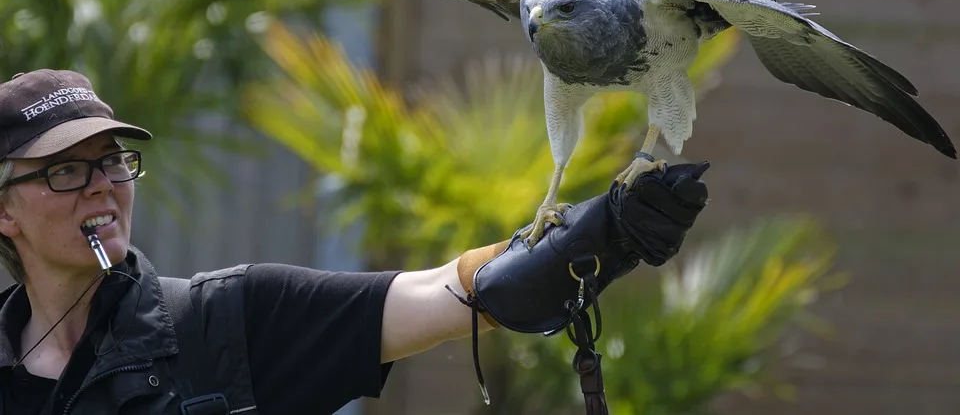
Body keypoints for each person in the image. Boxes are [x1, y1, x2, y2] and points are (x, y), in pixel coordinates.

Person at [0, 68, 711, 415]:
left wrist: (600, 234)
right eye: (65, 169)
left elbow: (441, 295)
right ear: (6, 213)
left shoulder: (228, 323)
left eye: (113, 161)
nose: (102, 184)